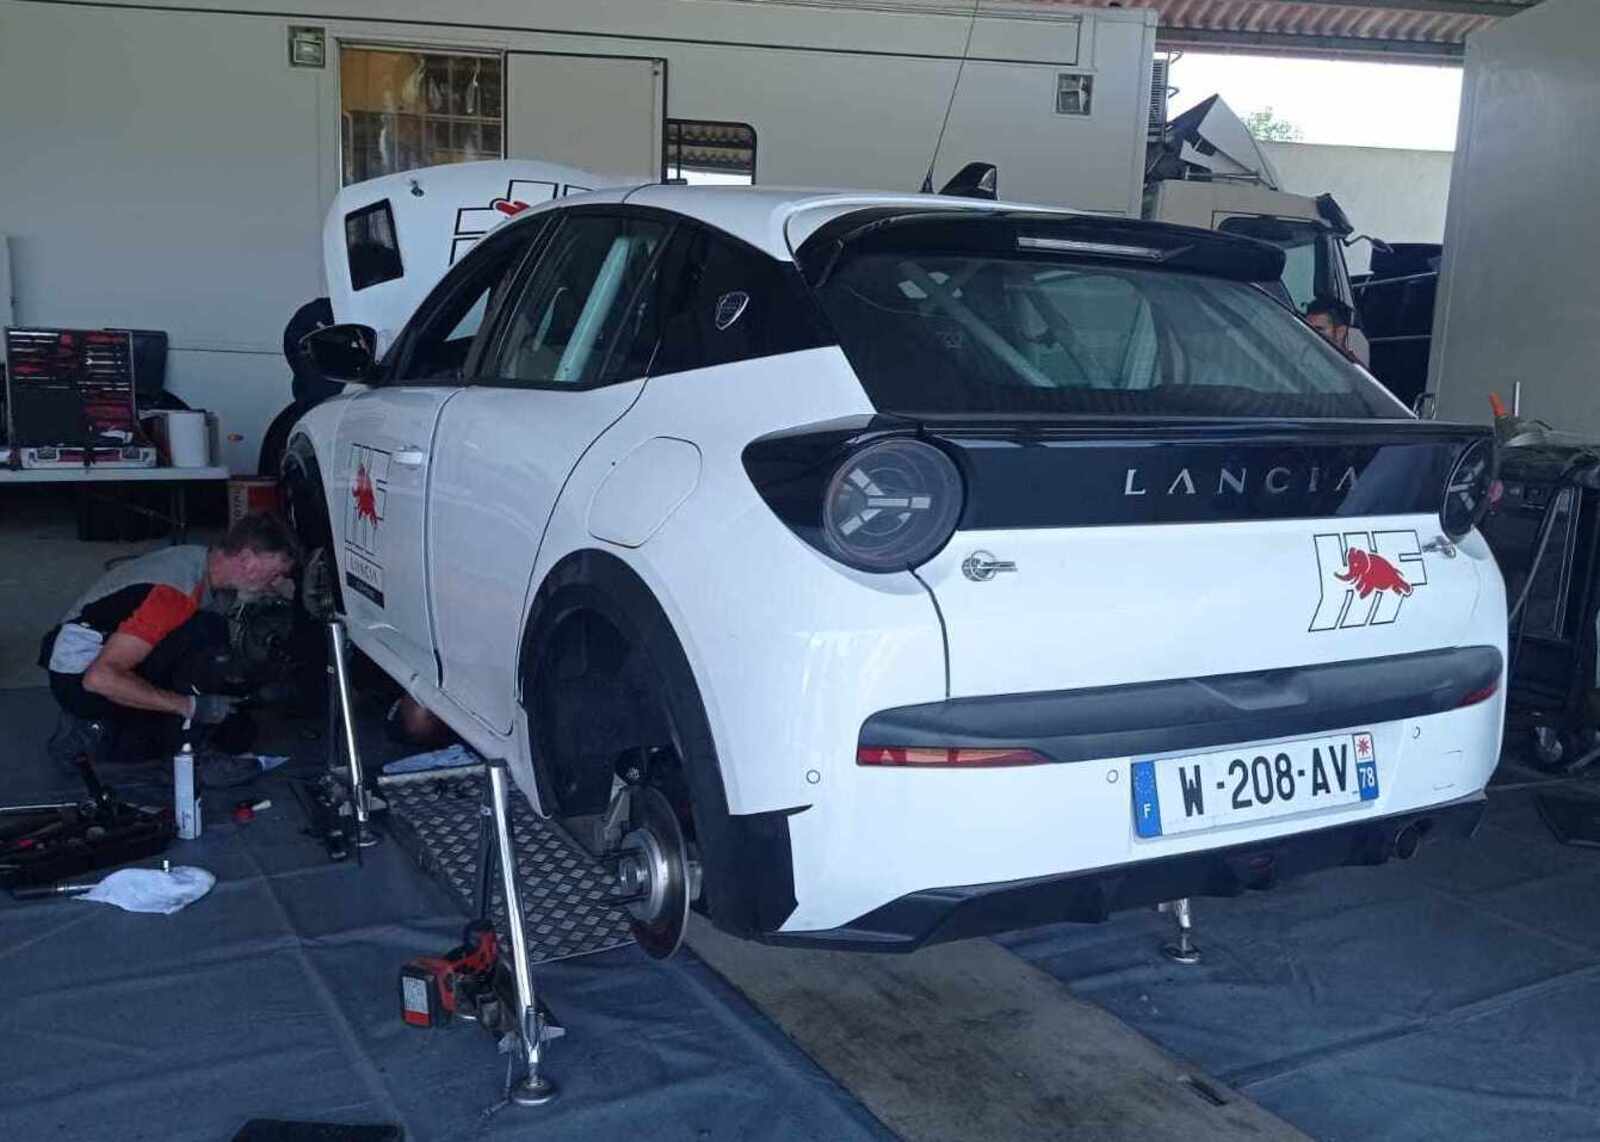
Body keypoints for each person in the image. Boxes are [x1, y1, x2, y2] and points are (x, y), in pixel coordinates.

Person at [41, 513, 300, 768]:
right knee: (206, 632)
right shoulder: (176, 591)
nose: (277, 583)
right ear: (247, 559)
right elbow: (100, 678)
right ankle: (92, 729)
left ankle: (110, 729)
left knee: (237, 732)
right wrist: (191, 706)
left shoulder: (203, 564)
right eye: (275, 573)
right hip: (81, 677)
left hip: (111, 656)